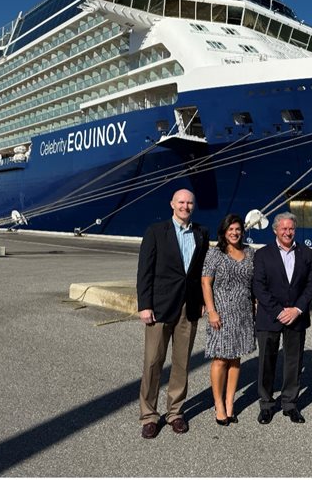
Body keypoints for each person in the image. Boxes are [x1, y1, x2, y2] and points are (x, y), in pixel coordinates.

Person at [136, 188, 210, 439]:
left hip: (188, 307)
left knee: (182, 362)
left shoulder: (201, 233)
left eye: (189, 202)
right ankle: (149, 415)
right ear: (172, 204)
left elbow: (200, 272)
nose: (185, 206)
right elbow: (144, 271)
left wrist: (200, 301)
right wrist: (144, 305)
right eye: (181, 202)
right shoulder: (156, 232)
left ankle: (175, 412)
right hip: (159, 307)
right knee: (153, 361)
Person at [252, 211, 312, 424]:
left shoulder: (306, 253)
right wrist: (279, 311)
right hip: (270, 317)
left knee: (294, 361)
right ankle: (266, 404)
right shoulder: (262, 254)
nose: (288, 232)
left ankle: (290, 403)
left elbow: (311, 284)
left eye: (291, 229)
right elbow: (259, 287)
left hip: (296, 317)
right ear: (275, 231)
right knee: (266, 362)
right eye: (284, 229)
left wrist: (297, 309)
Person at [201, 214, 256, 426]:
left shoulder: (250, 253)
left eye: (238, 229)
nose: (234, 233)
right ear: (224, 231)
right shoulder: (215, 253)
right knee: (221, 358)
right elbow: (206, 284)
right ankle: (219, 404)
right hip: (221, 313)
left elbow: (253, 284)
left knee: (236, 358)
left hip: (243, 312)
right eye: (230, 229)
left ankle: (230, 402)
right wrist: (212, 312)